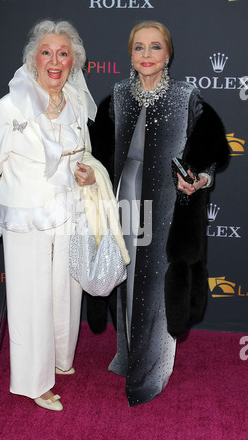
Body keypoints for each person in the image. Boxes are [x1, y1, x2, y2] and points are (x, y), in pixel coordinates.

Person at [0, 19, 127, 411]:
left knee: (65, 292)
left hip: (70, 213)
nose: (54, 61)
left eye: (63, 53)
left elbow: (84, 154)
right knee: (30, 300)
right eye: (46, 52)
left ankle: (60, 359)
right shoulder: (9, 107)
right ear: (33, 59)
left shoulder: (76, 102)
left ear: (73, 61)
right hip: (28, 221)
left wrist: (90, 173)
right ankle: (32, 382)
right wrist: (11, 204)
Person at [107, 21, 229, 406]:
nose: (146, 55)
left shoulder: (186, 97)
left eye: (154, 47)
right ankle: (129, 355)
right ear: (130, 54)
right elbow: (94, 148)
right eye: (138, 47)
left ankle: (149, 374)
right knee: (127, 280)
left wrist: (201, 179)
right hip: (124, 200)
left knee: (154, 283)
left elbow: (214, 151)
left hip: (165, 208)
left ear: (168, 54)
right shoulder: (117, 96)